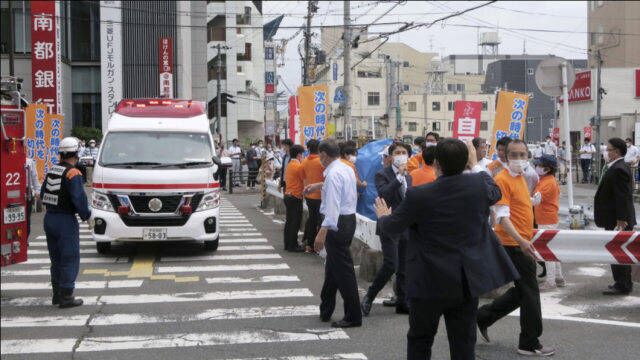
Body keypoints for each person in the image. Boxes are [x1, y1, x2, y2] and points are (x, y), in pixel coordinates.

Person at [374, 138, 518, 360]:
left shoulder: (419, 195)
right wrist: (474, 164)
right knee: (463, 343)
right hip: (465, 280)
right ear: (466, 162)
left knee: (420, 340)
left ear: (436, 163)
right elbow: (494, 190)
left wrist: (383, 217)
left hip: (427, 280)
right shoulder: (479, 186)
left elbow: (392, 227)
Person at [477, 139, 555, 357]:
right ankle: (529, 342)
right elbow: (501, 217)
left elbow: (518, 205)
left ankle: (483, 316)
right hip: (512, 243)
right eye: (514, 155)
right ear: (505, 156)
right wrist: (521, 241)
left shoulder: (521, 177)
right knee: (530, 293)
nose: (519, 159)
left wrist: (532, 202)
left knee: (523, 292)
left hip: (521, 241)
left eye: (523, 154)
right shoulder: (501, 179)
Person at [314, 139, 362, 328]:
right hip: (348, 219)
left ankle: (353, 315)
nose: (319, 158)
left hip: (337, 223)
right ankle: (326, 308)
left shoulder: (333, 174)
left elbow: (332, 206)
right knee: (333, 268)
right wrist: (318, 186)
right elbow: (341, 193)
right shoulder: (345, 168)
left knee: (344, 272)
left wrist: (322, 232)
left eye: (320, 155)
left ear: (324, 155)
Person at [361, 141, 412, 316]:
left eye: (404, 152)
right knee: (391, 263)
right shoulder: (382, 174)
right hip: (389, 224)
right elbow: (385, 194)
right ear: (390, 157)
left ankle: (402, 301)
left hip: (406, 226)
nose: (401, 154)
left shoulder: (410, 176)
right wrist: (399, 178)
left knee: (404, 266)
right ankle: (369, 296)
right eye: (397, 152)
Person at [41, 137, 92, 308]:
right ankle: (67, 296)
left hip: (49, 219)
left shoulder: (52, 170)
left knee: (56, 259)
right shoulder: (73, 173)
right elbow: (79, 199)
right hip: (65, 220)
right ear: (76, 153)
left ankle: (57, 294)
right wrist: (87, 216)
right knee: (69, 257)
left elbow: (42, 195)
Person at [596, 138, 636, 296]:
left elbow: (622, 197)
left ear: (617, 151)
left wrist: (621, 219)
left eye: (609, 149)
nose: (606, 151)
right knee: (618, 250)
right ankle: (622, 282)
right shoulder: (615, 166)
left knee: (618, 251)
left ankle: (623, 283)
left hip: (617, 219)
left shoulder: (619, 168)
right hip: (614, 217)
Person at [532, 155, 565, 290]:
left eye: (539, 165)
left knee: (546, 252)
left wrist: (520, 198)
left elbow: (535, 201)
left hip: (546, 219)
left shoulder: (547, 182)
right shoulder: (547, 179)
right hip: (548, 218)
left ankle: (550, 282)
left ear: (547, 168)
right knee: (552, 249)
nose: (537, 167)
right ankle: (558, 277)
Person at [300, 139, 325, 253]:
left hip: (309, 195)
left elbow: (303, 178)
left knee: (312, 219)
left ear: (308, 149)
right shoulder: (321, 162)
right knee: (320, 221)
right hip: (320, 196)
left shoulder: (304, 161)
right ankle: (317, 246)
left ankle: (309, 244)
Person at [283, 144, 306, 252]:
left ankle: (287, 244)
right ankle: (293, 245)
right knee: (295, 222)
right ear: (299, 155)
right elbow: (304, 180)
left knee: (289, 221)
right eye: (302, 154)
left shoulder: (290, 164)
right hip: (295, 196)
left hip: (288, 195)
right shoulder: (298, 166)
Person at [25, 157, 41, 238]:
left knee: (27, 217)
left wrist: (37, 190)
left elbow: (34, 177)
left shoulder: (29, 161)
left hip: (27, 191)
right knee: (26, 217)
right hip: (24, 191)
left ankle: (25, 238)